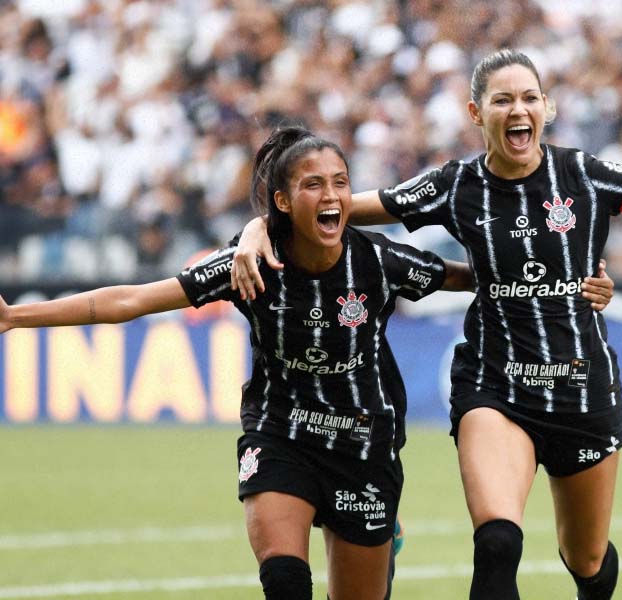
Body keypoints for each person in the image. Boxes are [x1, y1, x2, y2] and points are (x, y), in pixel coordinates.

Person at [230, 49, 622, 600]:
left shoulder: (587, 175)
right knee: (498, 541)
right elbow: (336, 206)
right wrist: (261, 227)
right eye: (503, 100)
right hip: (495, 384)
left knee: (588, 559)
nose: (518, 110)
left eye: (529, 98)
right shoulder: (454, 185)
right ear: (477, 114)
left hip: (581, 386)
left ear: (546, 107)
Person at [0, 126, 480, 600]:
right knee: (285, 582)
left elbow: (460, 278)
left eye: (340, 181)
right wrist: (15, 316)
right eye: (313, 184)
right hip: (281, 435)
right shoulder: (249, 263)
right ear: (284, 202)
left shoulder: (377, 260)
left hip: (362, 443)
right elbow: (131, 300)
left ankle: (383, 525)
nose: (331, 194)